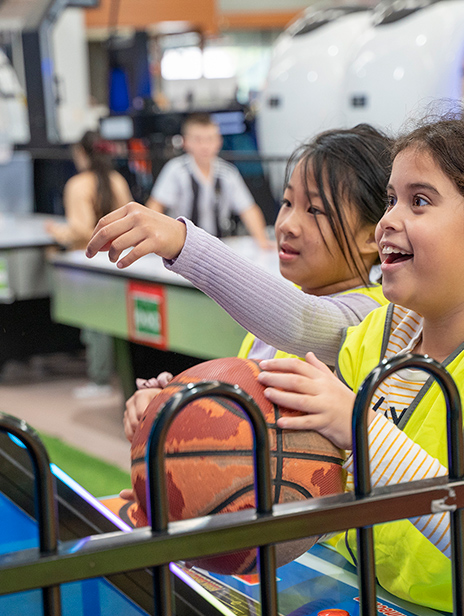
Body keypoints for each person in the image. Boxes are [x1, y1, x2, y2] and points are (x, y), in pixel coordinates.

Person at [90, 109, 464, 616]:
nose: (388, 219)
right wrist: (180, 414)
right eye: (391, 198)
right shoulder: (384, 332)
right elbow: (287, 416)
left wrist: (357, 428)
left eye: (420, 201)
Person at [86, 124, 392, 438]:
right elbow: (245, 413)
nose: (287, 225)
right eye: (287, 203)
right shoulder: (264, 333)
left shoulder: (373, 316)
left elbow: (299, 321)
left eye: (314, 210)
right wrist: (174, 400)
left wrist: (183, 242)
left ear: (373, 236)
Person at [48, 130, 134, 398]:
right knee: (117, 320)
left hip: (89, 261)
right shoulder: (116, 180)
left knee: (95, 325)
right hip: (118, 259)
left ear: (82, 154)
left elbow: (82, 229)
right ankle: (120, 377)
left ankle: (99, 381)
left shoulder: (78, 185)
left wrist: (57, 233)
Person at [147, 113, 271, 250]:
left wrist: (262, 241)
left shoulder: (228, 173)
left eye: (210, 139)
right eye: (198, 140)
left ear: (219, 142)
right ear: (186, 142)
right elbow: (155, 206)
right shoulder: (176, 170)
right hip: (181, 246)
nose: (205, 146)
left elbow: (248, 209)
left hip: (218, 244)